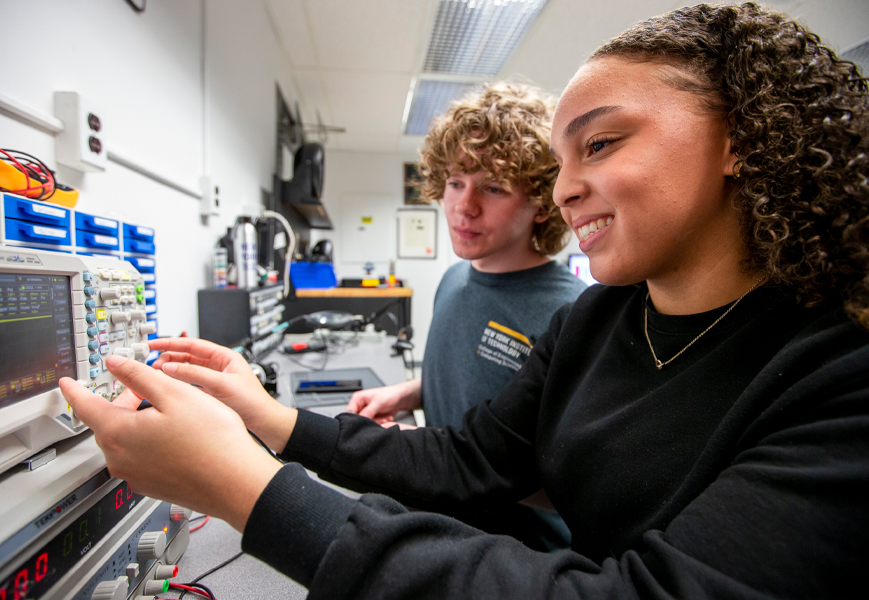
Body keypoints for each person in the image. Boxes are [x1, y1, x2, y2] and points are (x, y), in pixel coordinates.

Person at [60, 3, 869, 598]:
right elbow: (471, 457)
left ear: (740, 140)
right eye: (557, 161)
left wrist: (245, 485)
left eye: (600, 142)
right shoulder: (599, 322)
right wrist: (268, 421)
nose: (567, 187)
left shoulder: (840, 376)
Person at [348, 83, 586, 436]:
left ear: (541, 203)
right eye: (456, 183)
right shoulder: (454, 279)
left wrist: (420, 447)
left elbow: (555, 463)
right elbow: (465, 386)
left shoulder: (571, 313)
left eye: (493, 188)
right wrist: (407, 394)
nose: (464, 206)